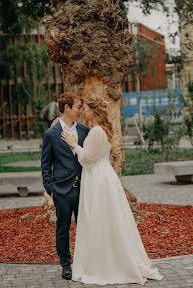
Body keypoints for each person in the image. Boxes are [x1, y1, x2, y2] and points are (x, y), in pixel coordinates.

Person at [61, 95, 163, 286]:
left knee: (100, 220)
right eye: (81, 108)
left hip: (98, 179)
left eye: (86, 108)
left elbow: (88, 159)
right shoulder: (98, 130)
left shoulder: (97, 132)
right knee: (106, 219)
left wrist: (74, 144)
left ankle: (105, 264)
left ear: (94, 110)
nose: (83, 111)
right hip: (100, 177)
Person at [41, 92, 89, 280]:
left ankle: (84, 262)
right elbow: (45, 165)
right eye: (78, 106)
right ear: (67, 107)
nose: (80, 111)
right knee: (62, 229)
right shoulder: (50, 135)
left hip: (84, 189)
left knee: (85, 227)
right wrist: (50, 189)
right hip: (61, 190)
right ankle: (65, 264)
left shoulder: (85, 131)